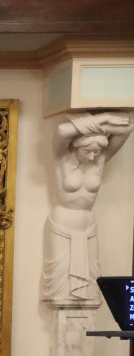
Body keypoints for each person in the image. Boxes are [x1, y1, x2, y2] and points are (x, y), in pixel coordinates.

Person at [43, 112, 132, 303]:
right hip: (62, 224)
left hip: (88, 226)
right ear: (76, 147)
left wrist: (98, 126)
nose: (92, 156)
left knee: (91, 281)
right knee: (61, 288)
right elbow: (62, 130)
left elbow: (127, 128)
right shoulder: (62, 159)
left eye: (96, 151)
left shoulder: (99, 161)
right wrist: (104, 118)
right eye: (87, 151)